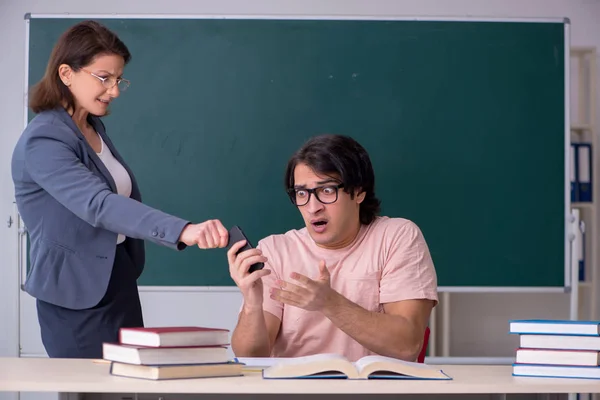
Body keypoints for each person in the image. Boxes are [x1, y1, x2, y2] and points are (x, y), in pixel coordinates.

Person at [11, 20, 229, 359]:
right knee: (92, 394)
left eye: (118, 80)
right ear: (66, 73)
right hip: (76, 295)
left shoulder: (91, 126)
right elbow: (99, 205)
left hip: (116, 280)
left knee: (130, 389)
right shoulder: (45, 139)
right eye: (103, 78)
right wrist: (182, 230)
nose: (113, 90)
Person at [228, 134, 438, 362]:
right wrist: (252, 303)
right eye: (302, 193)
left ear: (358, 192)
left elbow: (407, 345)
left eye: (327, 191)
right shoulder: (275, 251)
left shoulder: (396, 236)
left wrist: (329, 303)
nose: (313, 207)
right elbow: (251, 357)